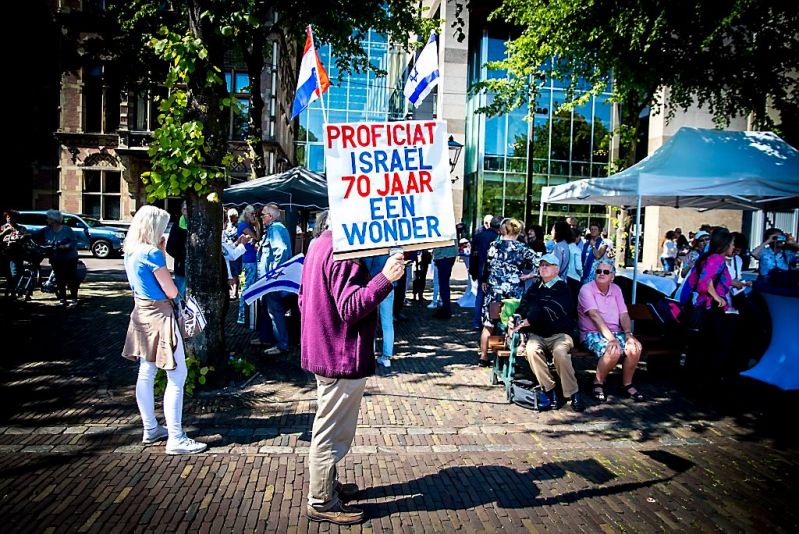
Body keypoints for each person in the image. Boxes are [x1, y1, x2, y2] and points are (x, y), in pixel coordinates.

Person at [299, 212, 405, 525]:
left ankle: (326, 485)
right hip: (339, 356)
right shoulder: (343, 253)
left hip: (327, 351)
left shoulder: (318, 243)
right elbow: (350, 307)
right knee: (331, 435)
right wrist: (385, 278)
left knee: (330, 429)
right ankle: (321, 500)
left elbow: (306, 299)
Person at [121, 205, 207, 455]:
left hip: (141, 314)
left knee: (146, 372)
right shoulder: (152, 253)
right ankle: (176, 437)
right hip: (160, 315)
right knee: (177, 375)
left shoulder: (131, 251)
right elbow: (171, 291)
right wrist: (160, 253)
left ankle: (150, 428)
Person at [511, 253, 585, 412]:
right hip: (537, 335)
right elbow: (523, 307)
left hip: (560, 334)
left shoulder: (563, 288)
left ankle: (573, 393)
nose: (543, 267)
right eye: (541, 265)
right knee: (531, 350)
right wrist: (516, 318)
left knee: (560, 353)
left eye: (547, 265)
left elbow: (551, 311)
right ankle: (550, 390)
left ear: (556, 269)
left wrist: (529, 319)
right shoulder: (535, 287)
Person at [578, 260, 645, 403]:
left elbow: (624, 314)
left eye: (606, 272)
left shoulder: (616, 289)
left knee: (635, 348)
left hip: (616, 332)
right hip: (592, 332)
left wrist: (628, 333)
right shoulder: (586, 289)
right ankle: (598, 382)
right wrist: (611, 339)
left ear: (612, 277)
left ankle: (626, 384)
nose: (601, 274)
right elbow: (595, 316)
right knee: (613, 350)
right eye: (598, 271)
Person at [479, 218, 539, 367]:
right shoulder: (522, 248)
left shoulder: (494, 245)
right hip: (513, 291)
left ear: (502, 230)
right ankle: (510, 359)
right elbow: (541, 263)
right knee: (512, 324)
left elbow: (486, 265)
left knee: (489, 324)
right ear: (518, 231)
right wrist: (528, 276)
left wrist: (485, 280)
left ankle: (484, 356)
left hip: (494, 291)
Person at [684, 228, 736, 383]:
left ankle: (698, 381)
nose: (733, 247)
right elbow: (705, 281)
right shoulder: (716, 259)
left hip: (706, 307)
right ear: (725, 244)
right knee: (712, 346)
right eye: (732, 244)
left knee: (702, 346)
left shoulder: (709, 258)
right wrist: (718, 298)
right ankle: (707, 381)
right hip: (711, 308)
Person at [257, 203, 292, 355]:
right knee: (268, 309)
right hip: (268, 280)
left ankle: (282, 345)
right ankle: (267, 338)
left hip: (272, 280)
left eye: (263, 214)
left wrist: (274, 274)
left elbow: (282, 250)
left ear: (269, 216)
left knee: (275, 310)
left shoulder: (276, 229)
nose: (261, 217)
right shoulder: (274, 229)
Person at [31, 209, 79, 307]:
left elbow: (74, 242)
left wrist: (65, 246)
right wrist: (25, 234)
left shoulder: (66, 229)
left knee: (70, 279)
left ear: (54, 220)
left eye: (48, 218)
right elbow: (35, 235)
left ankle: (74, 299)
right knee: (59, 278)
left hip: (69, 258)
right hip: (56, 258)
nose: (47, 220)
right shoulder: (46, 230)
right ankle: (62, 299)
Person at [362, 254, 395, 368]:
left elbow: (366, 266)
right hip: (388, 285)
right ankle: (387, 357)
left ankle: (370, 355)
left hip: (372, 286)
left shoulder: (369, 244)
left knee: (370, 322)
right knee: (387, 322)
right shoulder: (389, 242)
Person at [470, 215, 502, 329]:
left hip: (480, 268)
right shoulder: (498, 239)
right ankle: (490, 322)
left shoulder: (479, 236)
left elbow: (473, 254)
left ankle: (477, 321)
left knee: (480, 295)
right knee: (493, 297)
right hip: (492, 270)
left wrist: (472, 269)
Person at [236, 205, 259, 324]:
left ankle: (244, 315)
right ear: (246, 214)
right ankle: (243, 315)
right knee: (247, 287)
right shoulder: (245, 226)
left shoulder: (246, 225)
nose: (254, 216)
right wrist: (257, 225)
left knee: (246, 286)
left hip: (247, 259)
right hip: (249, 260)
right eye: (252, 214)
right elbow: (257, 237)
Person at [1, 210, 27, 298]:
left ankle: (14, 291)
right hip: (4, 253)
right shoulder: (2, 228)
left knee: (15, 273)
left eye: (12, 217)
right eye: (8, 217)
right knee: (7, 274)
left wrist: (23, 238)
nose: (10, 219)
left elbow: (26, 238)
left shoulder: (21, 228)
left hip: (16, 253)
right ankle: (14, 290)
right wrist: (4, 233)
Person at [165, 201, 187, 297]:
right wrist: (182, 257)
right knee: (181, 294)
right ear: (182, 210)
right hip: (181, 268)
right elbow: (169, 247)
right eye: (186, 209)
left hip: (197, 269)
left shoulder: (198, 223)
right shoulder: (177, 225)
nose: (188, 212)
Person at [432, 240, 458, 320]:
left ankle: (446, 309)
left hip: (442, 256)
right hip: (451, 254)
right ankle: (445, 307)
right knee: (444, 283)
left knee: (443, 284)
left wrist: (435, 254)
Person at [224, 208, 242, 299]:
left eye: (233, 217)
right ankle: (231, 290)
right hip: (227, 251)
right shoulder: (226, 225)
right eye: (230, 216)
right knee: (228, 272)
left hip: (236, 252)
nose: (231, 218)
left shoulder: (239, 226)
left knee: (235, 273)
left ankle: (235, 291)